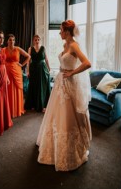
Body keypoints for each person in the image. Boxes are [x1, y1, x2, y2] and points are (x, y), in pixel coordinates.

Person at [36, 20, 92, 171]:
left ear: (67, 32)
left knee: (68, 115)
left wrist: (72, 72)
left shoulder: (74, 45)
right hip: (60, 82)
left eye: (61, 30)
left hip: (69, 84)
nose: (59, 32)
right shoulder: (65, 45)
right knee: (56, 114)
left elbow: (87, 63)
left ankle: (72, 149)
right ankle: (53, 144)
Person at [3, 34, 30, 118]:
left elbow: (28, 56)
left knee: (17, 89)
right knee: (8, 90)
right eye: (10, 40)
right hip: (7, 71)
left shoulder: (17, 49)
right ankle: (9, 110)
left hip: (17, 71)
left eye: (13, 40)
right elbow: (0, 60)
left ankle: (17, 109)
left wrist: (22, 65)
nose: (12, 41)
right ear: (7, 41)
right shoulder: (3, 50)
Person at [25, 34, 52, 112]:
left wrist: (49, 67)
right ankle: (33, 104)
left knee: (42, 86)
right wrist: (27, 70)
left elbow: (46, 59)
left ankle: (43, 105)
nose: (37, 41)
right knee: (34, 86)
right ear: (33, 41)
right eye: (35, 40)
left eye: (38, 39)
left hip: (42, 69)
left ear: (40, 40)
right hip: (33, 69)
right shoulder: (30, 48)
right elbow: (28, 61)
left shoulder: (43, 48)